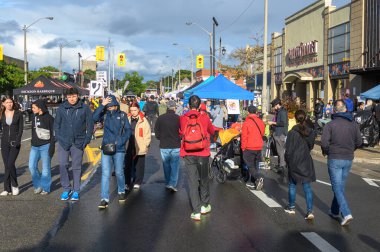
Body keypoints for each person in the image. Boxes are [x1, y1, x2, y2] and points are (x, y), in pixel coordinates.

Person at [321, 100, 362, 226]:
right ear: (345, 109)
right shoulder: (353, 124)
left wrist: (328, 151)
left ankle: (346, 212)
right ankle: (334, 211)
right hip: (348, 158)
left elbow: (324, 143)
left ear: (334, 110)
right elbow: (359, 142)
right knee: (340, 187)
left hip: (335, 158)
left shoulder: (330, 125)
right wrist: (350, 149)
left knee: (337, 187)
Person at [54, 88, 94, 201]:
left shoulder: (84, 108)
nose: (72, 99)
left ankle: (76, 190)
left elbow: (90, 125)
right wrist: (59, 137)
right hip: (63, 141)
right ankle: (67, 189)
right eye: (70, 96)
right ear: (66, 97)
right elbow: (56, 124)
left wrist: (86, 140)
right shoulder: (62, 108)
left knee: (77, 167)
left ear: (78, 96)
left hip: (78, 142)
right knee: (63, 165)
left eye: (74, 96)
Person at [180, 95, 215, 221]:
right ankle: (205, 205)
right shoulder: (204, 117)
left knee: (192, 182)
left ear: (188, 105)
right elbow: (211, 130)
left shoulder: (183, 118)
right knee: (204, 179)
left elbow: (181, 133)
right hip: (203, 152)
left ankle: (196, 211)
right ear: (200, 105)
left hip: (188, 152)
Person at [93, 95, 132, 209]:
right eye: (108, 106)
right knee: (105, 174)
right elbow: (94, 118)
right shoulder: (104, 115)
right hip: (106, 147)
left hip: (119, 148)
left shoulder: (122, 115)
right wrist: (102, 105)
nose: (110, 108)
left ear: (116, 105)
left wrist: (121, 141)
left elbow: (128, 130)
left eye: (112, 106)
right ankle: (104, 198)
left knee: (119, 172)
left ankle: (121, 191)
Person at [284, 110, 316, 220]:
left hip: (294, 161)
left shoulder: (292, 132)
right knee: (307, 187)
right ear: (305, 118)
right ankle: (310, 211)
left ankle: (291, 208)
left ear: (296, 119)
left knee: (292, 185)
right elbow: (311, 146)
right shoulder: (310, 132)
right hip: (306, 160)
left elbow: (287, 151)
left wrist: (287, 162)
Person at [29, 100, 55, 195]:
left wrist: (52, 147)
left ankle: (45, 188)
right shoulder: (33, 117)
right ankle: (38, 185)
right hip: (34, 147)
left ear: (40, 108)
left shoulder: (49, 118)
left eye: (34, 108)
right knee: (31, 166)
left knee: (45, 168)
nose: (32, 109)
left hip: (46, 146)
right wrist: (32, 142)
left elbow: (53, 134)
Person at [155, 100, 181, 192]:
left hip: (164, 144)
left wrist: (160, 138)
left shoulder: (160, 118)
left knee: (166, 164)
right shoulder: (178, 118)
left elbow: (156, 132)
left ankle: (167, 182)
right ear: (174, 108)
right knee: (175, 165)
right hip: (176, 144)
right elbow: (181, 131)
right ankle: (172, 183)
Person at [125, 102, 151, 190]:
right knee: (127, 165)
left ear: (138, 110)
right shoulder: (127, 119)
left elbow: (147, 134)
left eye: (135, 110)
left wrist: (145, 144)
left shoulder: (144, 120)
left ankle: (138, 182)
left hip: (140, 145)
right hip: (128, 145)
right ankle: (127, 182)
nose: (133, 112)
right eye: (131, 110)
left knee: (139, 165)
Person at [0, 97, 23, 196]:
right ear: (3, 104)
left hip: (15, 143)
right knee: (7, 165)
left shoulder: (18, 113)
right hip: (4, 143)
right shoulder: (1, 114)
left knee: (10, 163)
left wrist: (17, 141)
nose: (9, 104)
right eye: (7, 102)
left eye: (11, 102)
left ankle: (15, 185)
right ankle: (6, 189)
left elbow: (21, 129)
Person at [241, 105, 265, 190]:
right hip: (259, 146)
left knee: (250, 165)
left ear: (248, 112)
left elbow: (244, 137)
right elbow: (262, 133)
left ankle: (258, 177)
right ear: (256, 112)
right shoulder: (261, 122)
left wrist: (243, 148)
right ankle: (253, 182)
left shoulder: (246, 123)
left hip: (250, 146)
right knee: (255, 165)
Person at [267, 98, 288, 175]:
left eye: (274, 106)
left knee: (280, 151)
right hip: (279, 133)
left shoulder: (282, 112)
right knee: (280, 151)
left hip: (280, 133)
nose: (273, 107)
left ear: (277, 105)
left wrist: (273, 122)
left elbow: (283, 123)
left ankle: (282, 166)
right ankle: (281, 165)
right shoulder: (280, 111)